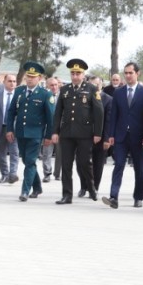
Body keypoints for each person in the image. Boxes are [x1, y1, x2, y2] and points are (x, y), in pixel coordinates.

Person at [52, 58, 102, 204]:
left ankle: (91, 188)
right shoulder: (64, 89)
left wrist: (97, 133)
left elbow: (99, 113)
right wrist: (55, 131)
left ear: (83, 74)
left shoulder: (91, 89)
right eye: (73, 73)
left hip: (85, 134)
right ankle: (67, 195)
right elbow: (58, 113)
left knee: (84, 163)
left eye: (78, 73)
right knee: (66, 165)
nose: (75, 76)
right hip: (67, 133)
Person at [5, 62, 56, 201]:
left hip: (35, 134)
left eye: (33, 77)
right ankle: (38, 187)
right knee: (27, 161)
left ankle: (25, 191)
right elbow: (11, 112)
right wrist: (10, 129)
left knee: (30, 161)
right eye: (28, 76)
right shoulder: (19, 91)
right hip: (20, 132)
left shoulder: (45, 94)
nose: (29, 79)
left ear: (39, 78)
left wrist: (48, 136)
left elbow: (50, 118)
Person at [102, 61, 143, 209]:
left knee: (139, 168)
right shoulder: (118, 92)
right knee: (118, 166)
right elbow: (114, 114)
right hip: (121, 136)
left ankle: (138, 196)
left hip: (139, 137)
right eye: (126, 73)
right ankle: (113, 197)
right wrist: (111, 133)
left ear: (137, 73)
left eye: (131, 73)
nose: (128, 76)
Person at [0, 73, 19, 183]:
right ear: (4, 82)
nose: (12, 83)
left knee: (14, 151)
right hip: (0, 127)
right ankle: (4, 174)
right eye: (10, 81)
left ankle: (13, 174)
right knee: (1, 152)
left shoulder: (19, 96)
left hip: (13, 128)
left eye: (14, 81)